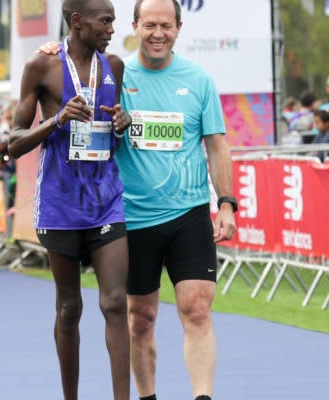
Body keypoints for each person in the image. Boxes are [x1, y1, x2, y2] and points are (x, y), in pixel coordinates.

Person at [8, 0, 132, 399]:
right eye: (105, 21)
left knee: (114, 303)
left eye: (113, 21)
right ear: (77, 22)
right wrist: (57, 119)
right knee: (69, 308)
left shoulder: (113, 66)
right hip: (60, 203)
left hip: (106, 200)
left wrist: (121, 123)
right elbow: (12, 143)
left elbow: (118, 122)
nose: (112, 29)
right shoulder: (40, 67)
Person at [119, 1, 235, 399]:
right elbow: (71, 67)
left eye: (166, 26)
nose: (157, 33)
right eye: (149, 25)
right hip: (133, 218)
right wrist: (52, 49)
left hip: (188, 213)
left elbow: (217, 146)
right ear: (134, 26)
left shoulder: (198, 79)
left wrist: (225, 203)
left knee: (197, 308)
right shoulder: (116, 77)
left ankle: (203, 396)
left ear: (179, 28)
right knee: (140, 318)